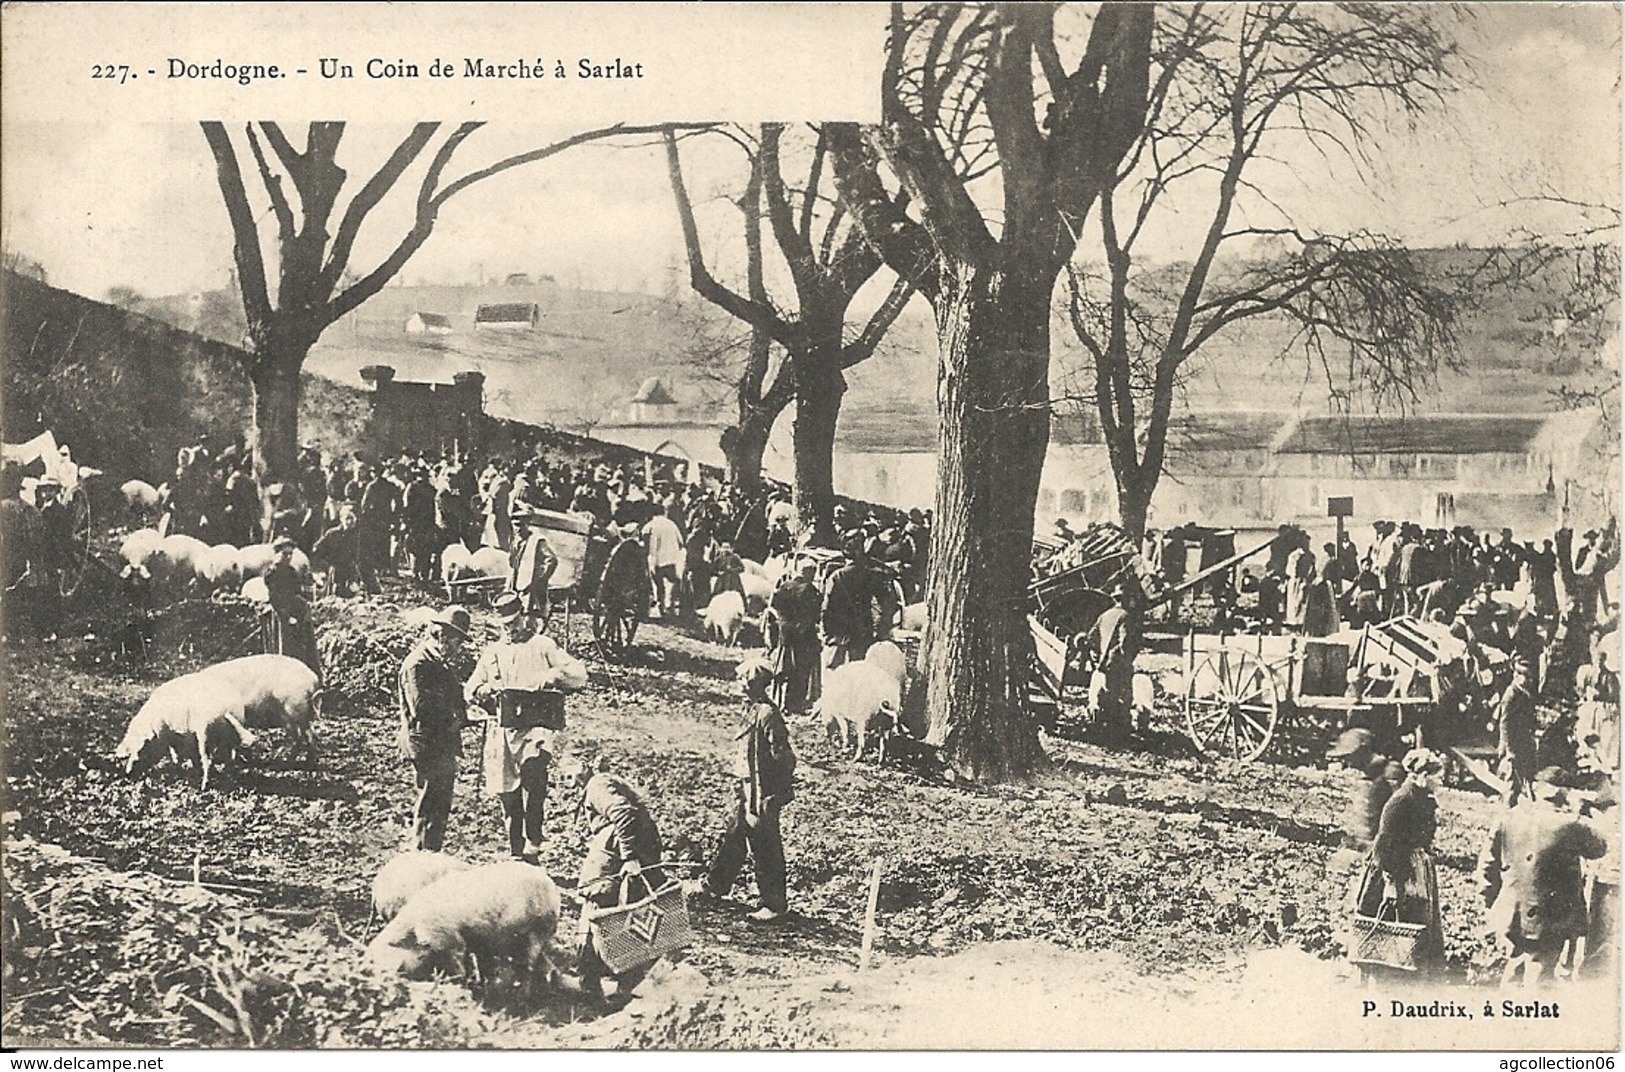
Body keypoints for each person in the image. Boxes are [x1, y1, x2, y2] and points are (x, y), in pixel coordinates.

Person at [465, 593, 588, 863]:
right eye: (505, 624)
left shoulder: (542, 646)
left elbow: (580, 675)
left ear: (524, 617)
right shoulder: (493, 653)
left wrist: (552, 676)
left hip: (535, 727)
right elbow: (470, 688)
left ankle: (534, 840)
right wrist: (484, 690)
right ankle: (516, 850)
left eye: (514, 621)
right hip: (503, 729)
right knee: (507, 793)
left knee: (534, 778)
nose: (510, 628)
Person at [1478, 767, 1609, 985]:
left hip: (1513, 910)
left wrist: (1487, 899)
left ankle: (1506, 1010)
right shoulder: (1571, 824)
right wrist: (1579, 810)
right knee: (1540, 972)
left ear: (1538, 791)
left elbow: (1487, 862)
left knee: (1516, 961)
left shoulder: (1508, 818)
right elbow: (1600, 847)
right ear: (1565, 793)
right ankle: (1535, 1014)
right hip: (1551, 915)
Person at [561, 754, 668, 1000]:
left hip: (618, 852)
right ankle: (618, 982)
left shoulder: (598, 785)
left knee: (596, 902)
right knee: (629, 911)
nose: (567, 779)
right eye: (563, 775)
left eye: (571, 770)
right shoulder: (599, 783)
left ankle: (593, 981)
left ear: (585, 765)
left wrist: (630, 857)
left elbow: (622, 812)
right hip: (629, 848)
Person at [698, 658, 797, 923]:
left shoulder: (768, 715)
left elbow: (784, 757)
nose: (739, 684)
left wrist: (773, 795)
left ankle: (775, 905)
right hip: (747, 788)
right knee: (734, 835)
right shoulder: (752, 709)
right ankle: (715, 886)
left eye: (743, 680)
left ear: (754, 684)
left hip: (762, 793)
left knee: (765, 845)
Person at [1350, 748, 1446, 978]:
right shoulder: (1400, 802)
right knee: (1393, 921)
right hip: (1395, 869)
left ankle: (1415, 970)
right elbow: (1383, 847)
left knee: (1419, 919)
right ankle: (1389, 972)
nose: (1441, 782)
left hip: (1416, 868)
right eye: (1437, 777)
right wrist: (1392, 884)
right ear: (1421, 776)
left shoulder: (1424, 799)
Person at [397, 606, 473, 852]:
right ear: (441, 636)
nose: (458, 648)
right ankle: (421, 854)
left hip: (440, 742)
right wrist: (453, 718)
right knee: (430, 802)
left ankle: (431, 851)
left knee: (440, 802)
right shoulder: (417, 664)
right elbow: (421, 708)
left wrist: (464, 713)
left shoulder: (437, 661)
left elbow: (453, 695)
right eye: (456, 641)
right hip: (427, 742)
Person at [764, 557, 822, 714]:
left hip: (786, 634)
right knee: (801, 670)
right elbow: (816, 613)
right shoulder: (809, 589)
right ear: (808, 572)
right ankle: (794, 704)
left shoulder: (785, 586)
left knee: (784, 668)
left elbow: (775, 606)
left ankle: (779, 701)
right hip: (803, 635)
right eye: (813, 571)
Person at [263, 536, 320, 679]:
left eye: (290, 554)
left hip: (295, 610)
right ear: (277, 554)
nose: (288, 557)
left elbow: (297, 591)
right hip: (282, 614)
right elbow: (275, 598)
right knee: (288, 645)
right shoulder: (273, 573)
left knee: (305, 642)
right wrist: (287, 617)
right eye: (284, 554)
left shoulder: (291, 571)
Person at [821, 540, 880, 670]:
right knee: (858, 665)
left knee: (835, 666)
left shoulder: (837, 576)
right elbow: (878, 603)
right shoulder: (869, 574)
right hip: (862, 626)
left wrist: (826, 630)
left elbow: (827, 606)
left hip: (841, 627)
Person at [510, 509, 560, 624]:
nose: (518, 529)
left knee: (530, 615)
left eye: (521, 525)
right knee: (516, 612)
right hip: (517, 582)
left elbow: (551, 560)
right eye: (515, 525)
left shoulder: (537, 541)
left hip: (531, 586)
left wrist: (538, 577)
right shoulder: (516, 541)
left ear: (527, 525)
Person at [643, 506, 685, 619]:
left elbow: (644, 538)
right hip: (672, 559)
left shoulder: (651, 525)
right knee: (672, 583)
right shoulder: (672, 524)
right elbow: (681, 542)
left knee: (658, 585)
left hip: (657, 559)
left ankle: (660, 608)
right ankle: (670, 607)